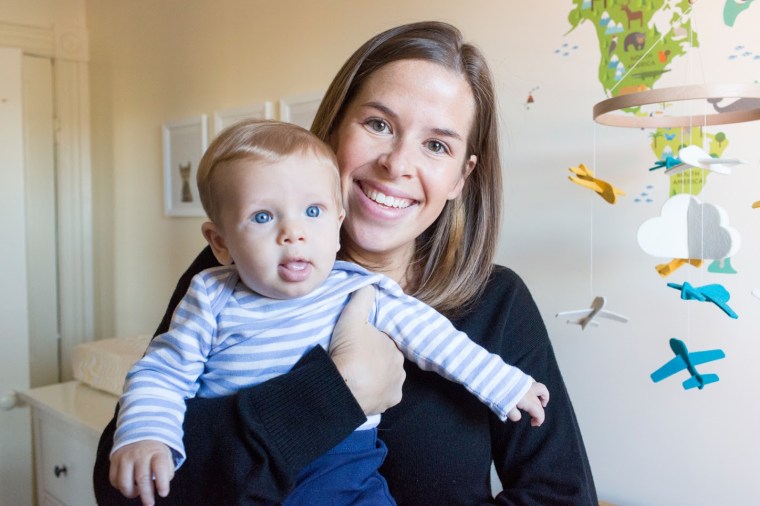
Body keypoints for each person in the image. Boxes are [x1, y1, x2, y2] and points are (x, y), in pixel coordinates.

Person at [95, 21, 598, 505]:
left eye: (436, 145)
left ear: (461, 178)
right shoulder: (233, 275)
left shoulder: (498, 301)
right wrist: (336, 392)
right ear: (334, 131)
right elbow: (123, 487)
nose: (397, 164)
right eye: (378, 124)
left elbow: (560, 496)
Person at [109, 119, 549, 505]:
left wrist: (505, 384)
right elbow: (162, 373)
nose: (293, 234)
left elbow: (435, 337)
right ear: (220, 242)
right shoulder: (210, 292)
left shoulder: (355, 287)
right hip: (248, 480)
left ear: (336, 222)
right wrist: (147, 436)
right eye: (263, 217)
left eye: (313, 212)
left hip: (345, 475)